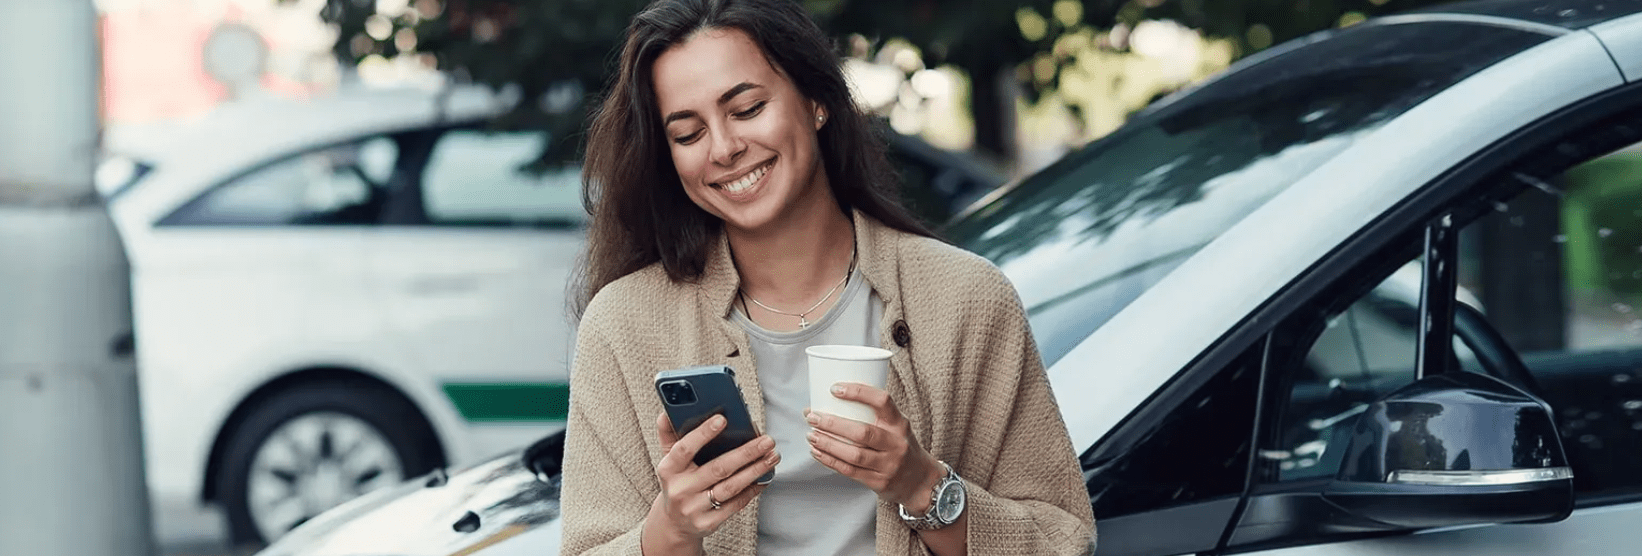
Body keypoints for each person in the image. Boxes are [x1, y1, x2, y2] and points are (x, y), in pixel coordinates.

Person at [559, 0, 1095, 554]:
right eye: (688, 134)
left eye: (746, 108)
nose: (724, 148)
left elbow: (1061, 539)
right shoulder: (623, 325)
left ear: (816, 101)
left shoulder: (965, 298)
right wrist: (670, 530)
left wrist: (921, 485)